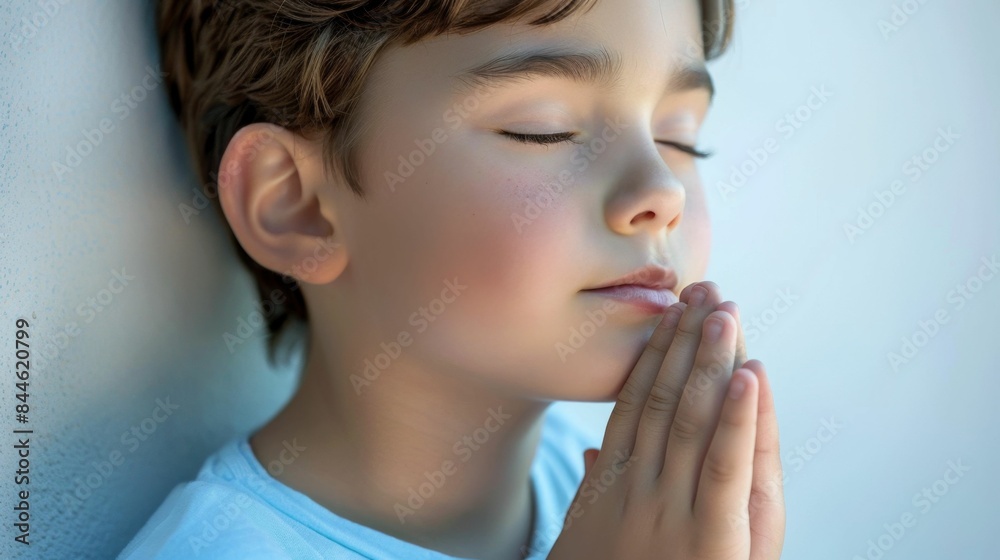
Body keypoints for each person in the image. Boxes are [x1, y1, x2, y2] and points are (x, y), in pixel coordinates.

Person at [119, 0, 785, 558]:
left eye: (679, 137)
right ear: (298, 205)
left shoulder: (636, 500)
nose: (661, 190)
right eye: (542, 129)